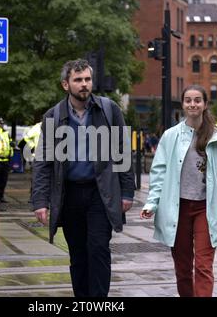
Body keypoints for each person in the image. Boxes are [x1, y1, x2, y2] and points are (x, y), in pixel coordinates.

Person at [32, 59, 135, 297]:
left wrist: (127, 191)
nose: (84, 84)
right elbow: (43, 161)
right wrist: (40, 201)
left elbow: (123, 151)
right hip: (69, 195)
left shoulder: (109, 110)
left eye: (87, 79)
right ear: (65, 84)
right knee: (78, 254)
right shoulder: (53, 116)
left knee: (98, 248)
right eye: (78, 80)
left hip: (101, 193)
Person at [140, 85, 217, 297]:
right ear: (183, 104)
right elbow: (159, 172)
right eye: (188, 100)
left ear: (205, 104)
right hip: (178, 208)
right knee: (182, 269)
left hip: (206, 209)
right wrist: (151, 203)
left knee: (203, 266)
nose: (193, 104)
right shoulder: (170, 136)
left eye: (197, 100)